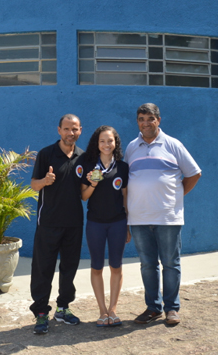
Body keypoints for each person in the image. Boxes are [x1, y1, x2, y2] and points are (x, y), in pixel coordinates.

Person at [125, 103, 201, 326]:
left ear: (158, 120)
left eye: (150, 118)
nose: (145, 123)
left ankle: (171, 308)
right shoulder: (131, 147)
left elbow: (194, 174)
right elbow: (127, 180)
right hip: (139, 218)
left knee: (170, 263)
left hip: (168, 217)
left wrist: (175, 196)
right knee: (147, 265)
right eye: (141, 119)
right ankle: (153, 307)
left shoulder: (173, 144)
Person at [29, 114, 85, 335]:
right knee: (43, 269)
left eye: (75, 129)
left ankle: (63, 308)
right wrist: (45, 181)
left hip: (74, 223)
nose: (71, 133)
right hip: (49, 222)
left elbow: (84, 192)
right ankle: (41, 313)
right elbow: (34, 185)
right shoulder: (46, 154)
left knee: (69, 268)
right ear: (59, 130)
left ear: (80, 130)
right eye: (67, 129)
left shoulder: (83, 157)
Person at [80, 125, 130, 327]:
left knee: (116, 266)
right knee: (97, 267)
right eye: (102, 141)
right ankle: (101, 311)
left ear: (115, 142)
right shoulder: (89, 165)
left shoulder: (123, 167)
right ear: (97, 143)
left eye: (110, 140)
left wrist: (127, 226)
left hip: (118, 223)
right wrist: (93, 183)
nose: (106, 144)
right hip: (95, 224)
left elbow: (125, 197)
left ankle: (113, 310)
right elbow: (83, 197)